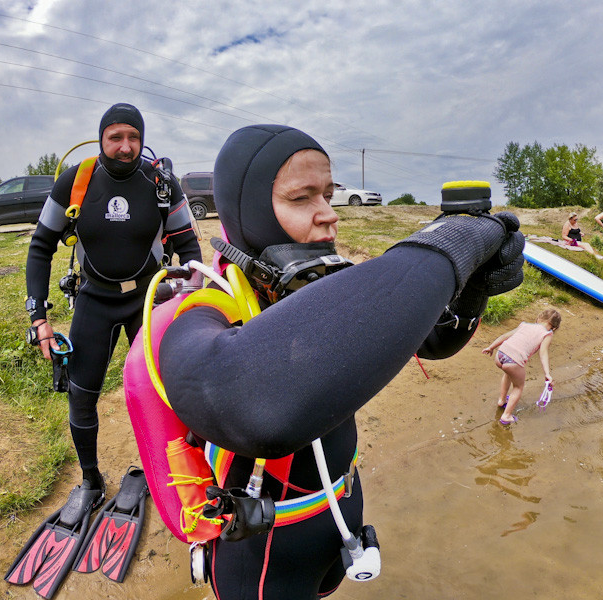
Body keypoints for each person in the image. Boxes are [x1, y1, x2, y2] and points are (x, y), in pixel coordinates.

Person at [157, 124, 525, 599]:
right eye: (302, 198)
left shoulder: (327, 286)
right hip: (264, 552)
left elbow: (433, 341)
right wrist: (443, 250)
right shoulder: (202, 308)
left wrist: (473, 286)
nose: (329, 215)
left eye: (328, 195)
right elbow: (248, 406)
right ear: (247, 211)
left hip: (341, 514)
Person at [25, 103, 203, 501]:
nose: (125, 146)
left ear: (142, 140)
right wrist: (39, 319)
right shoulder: (76, 181)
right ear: (102, 138)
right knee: (81, 393)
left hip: (148, 300)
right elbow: (40, 247)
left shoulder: (160, 182)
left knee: (168, 393)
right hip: (95, 300)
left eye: (133, 137)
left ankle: (174, 475)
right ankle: (91, 481)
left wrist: (190, 296)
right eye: (116, 137)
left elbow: (188, 245)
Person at [481, 308, 560, 425]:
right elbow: (543, 353)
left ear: (539, 318)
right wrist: (547, 374)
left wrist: (491, 347)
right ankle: (506, 416)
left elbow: (505, 336)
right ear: (554, 328)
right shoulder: (547, 334)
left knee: (508, 374)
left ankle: (502, 400)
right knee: (518, 387)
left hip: (500, 355)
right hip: (513, 361)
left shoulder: (524, 325)